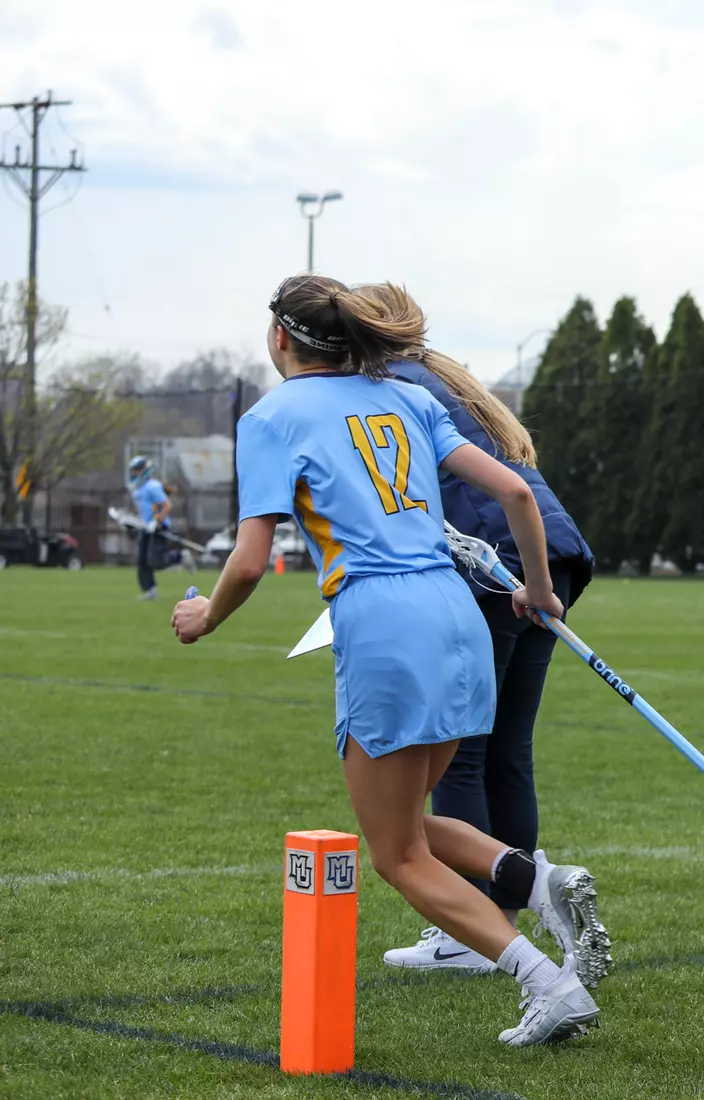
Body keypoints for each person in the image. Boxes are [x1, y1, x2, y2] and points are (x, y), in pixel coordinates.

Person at [170, 274, 604, 1047]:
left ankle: (549, 983)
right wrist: (540, 592)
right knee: (413, 819)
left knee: (396, 856)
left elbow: (245, 563)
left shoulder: (270, 417)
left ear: (279, 340)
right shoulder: (407, 396)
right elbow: (517, 493)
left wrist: (204, 616)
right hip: (457, 610)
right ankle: (540, 879)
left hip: (383, 620)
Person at [336, 284, 607, 981]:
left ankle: (476, 927)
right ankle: (509, 911)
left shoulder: (387, 388)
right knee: (507, 749)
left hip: (497, 567)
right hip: (548, 555)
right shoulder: (437, 374)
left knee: (464, 756)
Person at [127, 455, 172, 600]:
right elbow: (142, 510)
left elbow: (167, 505)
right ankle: (150, 590)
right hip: (145, 528)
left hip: (158, 528)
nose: (135, 473)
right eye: (133, 470)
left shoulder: (153, 486)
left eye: (137, 469)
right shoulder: (137, 489)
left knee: (155, 560)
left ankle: (180, 557)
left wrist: (157, 521)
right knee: (142, 560)